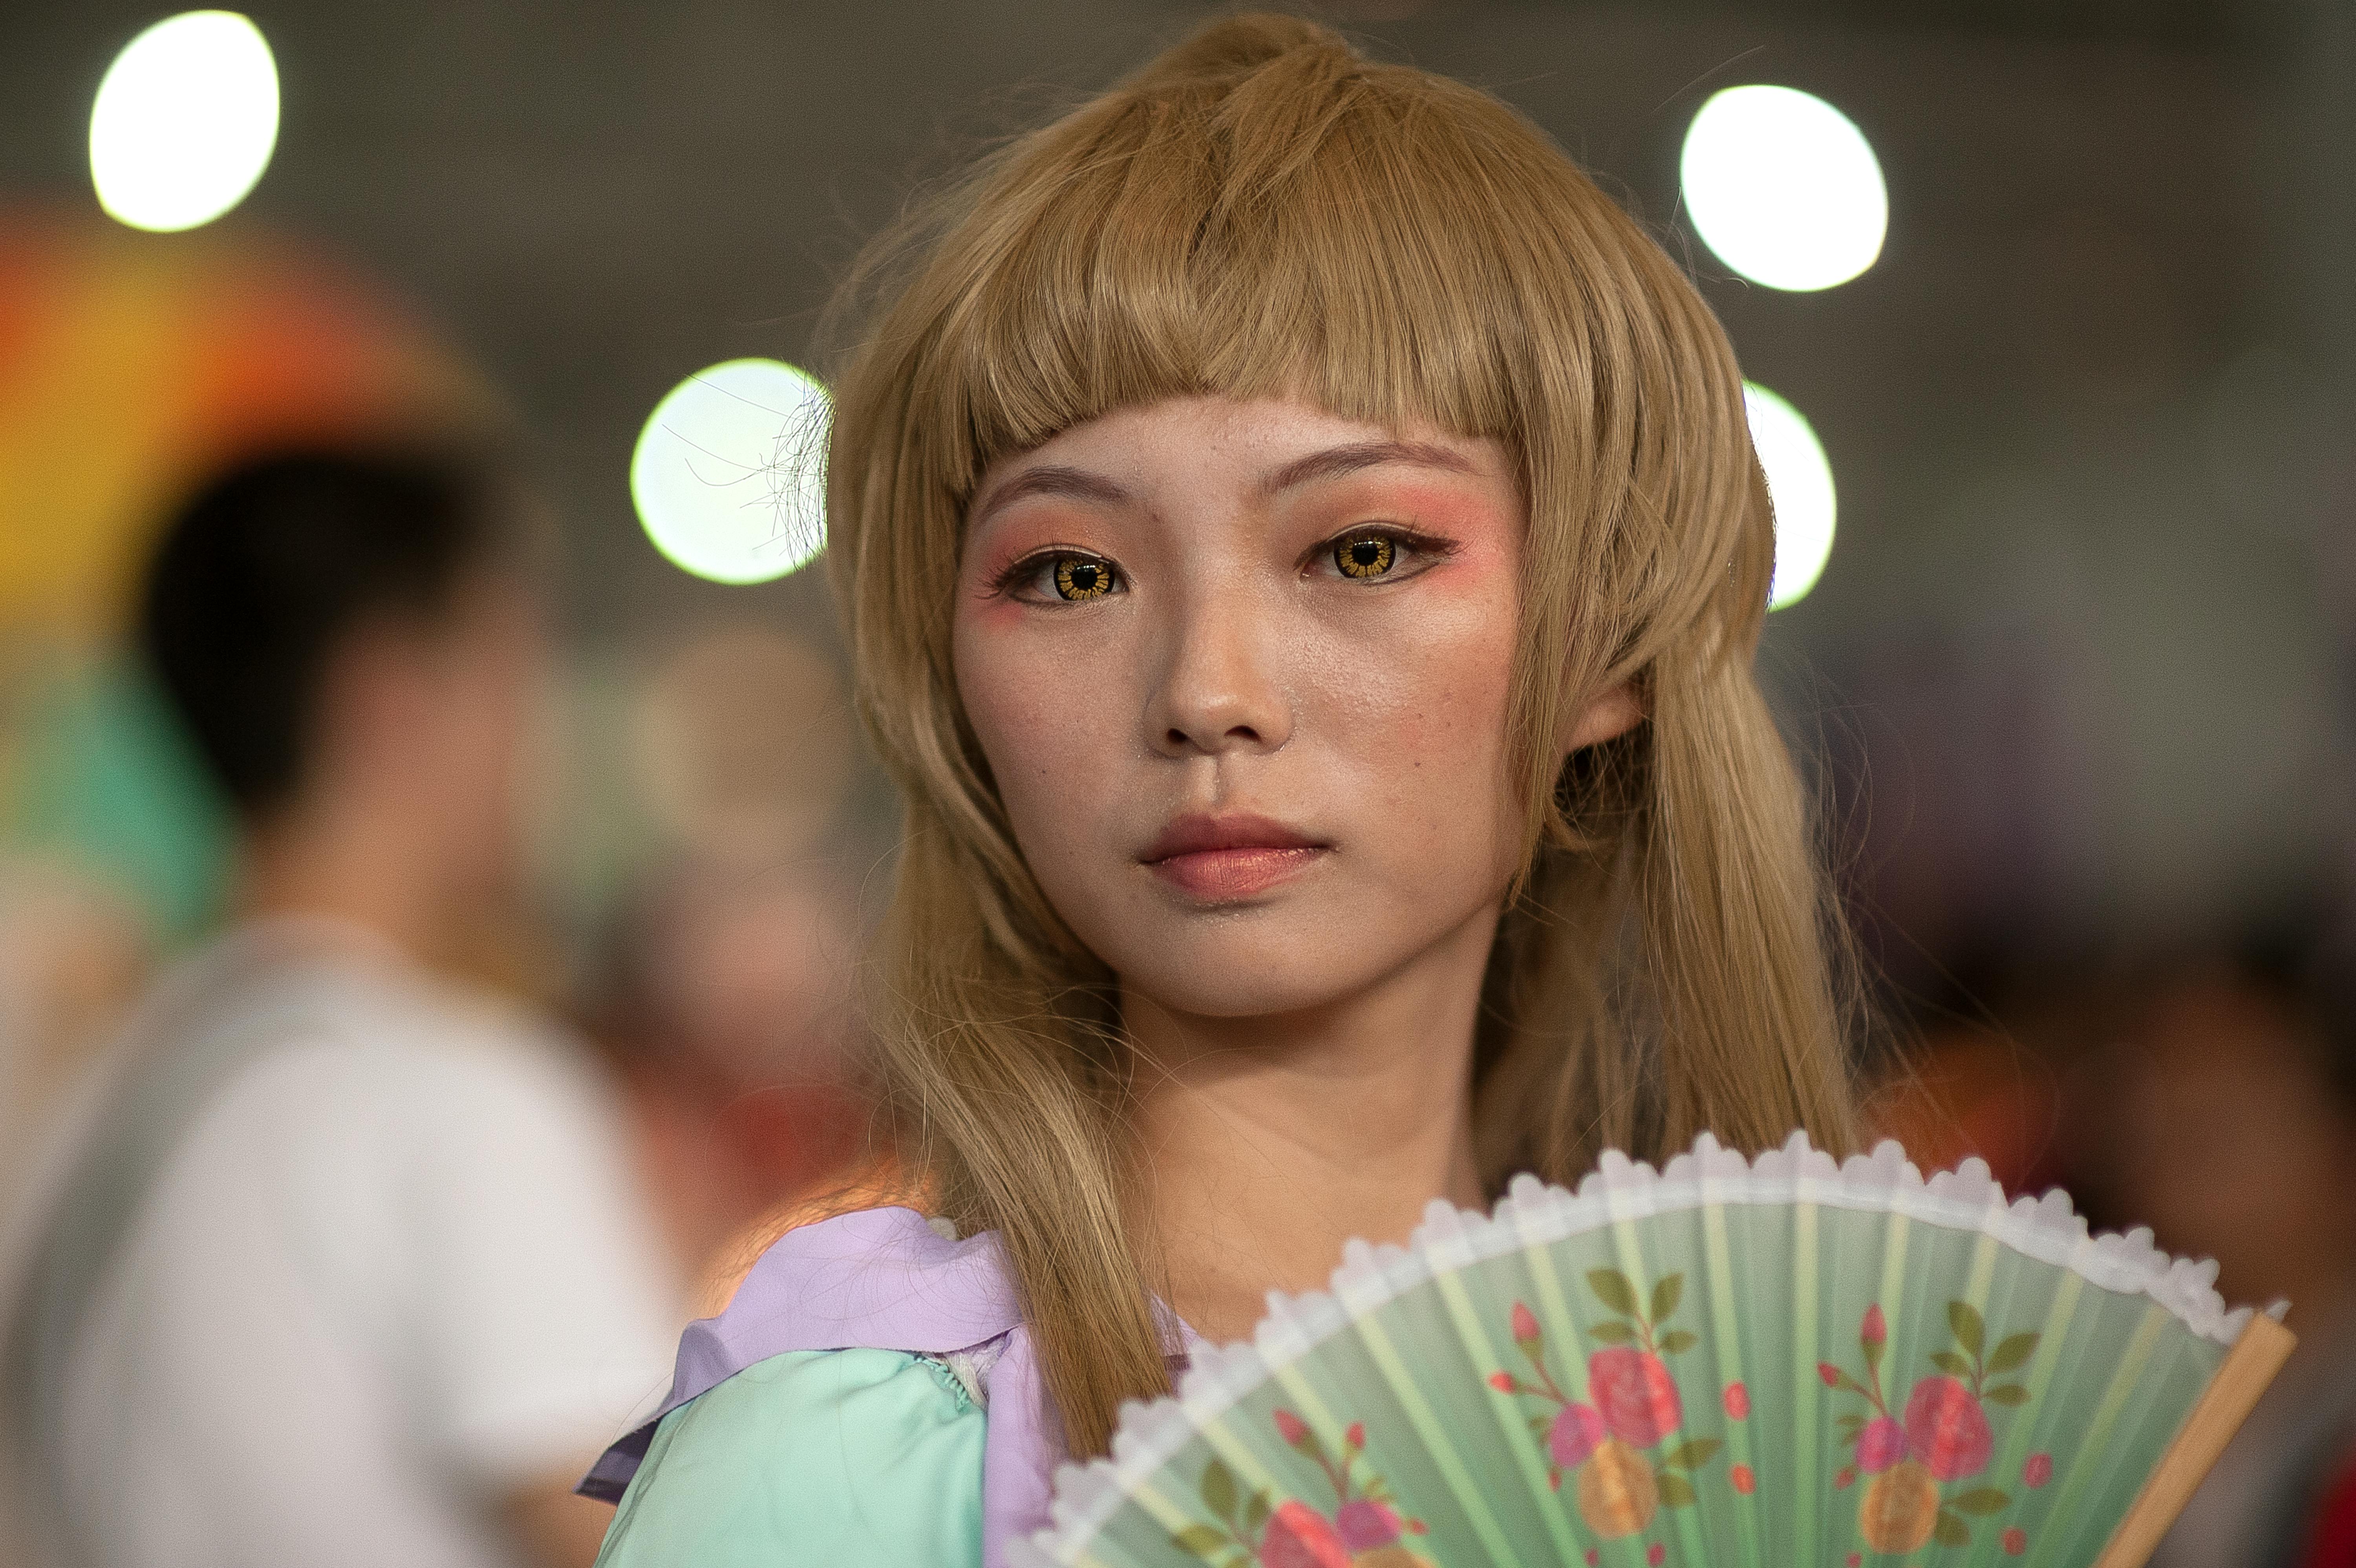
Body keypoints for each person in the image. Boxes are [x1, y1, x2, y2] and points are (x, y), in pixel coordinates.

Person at [587, 16, 1858, 1567]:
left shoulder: (1811, 1436)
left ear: (1613, 638)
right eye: (1070, 572)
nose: (1205, 693)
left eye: (1363, 550)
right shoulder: (845, 1459)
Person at [4, 450, 678, 1568]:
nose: (536, 742)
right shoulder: (456, 1089)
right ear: (393, 700)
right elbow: (672, 1537)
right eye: (510, 674)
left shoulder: (88, 1090)